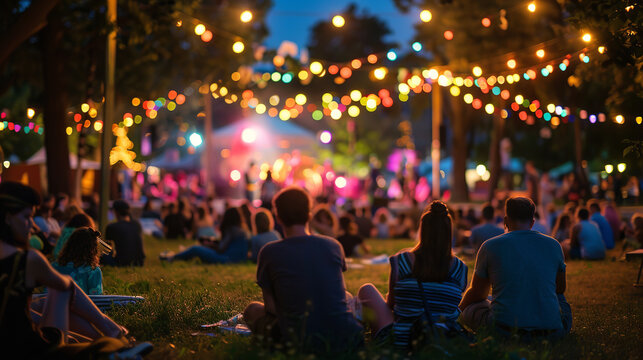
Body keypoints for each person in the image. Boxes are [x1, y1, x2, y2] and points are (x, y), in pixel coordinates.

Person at [0, 182, 128, 356]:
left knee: (43, 302)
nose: (32, 225)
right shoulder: (28, 259)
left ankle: (103, 338)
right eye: (26, 217)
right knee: (64, 287)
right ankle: (110, 331)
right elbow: (65, 289)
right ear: (7, 217)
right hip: (29, 349)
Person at [243, 187, 363, 352]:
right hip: (348, 337)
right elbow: (340, 295)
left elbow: (271, 307)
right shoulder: (333, 246)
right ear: (309, 215)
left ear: (278, 217)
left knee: (252, 310)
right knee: (348, 296)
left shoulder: (269, 252)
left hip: (296, 339)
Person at [357, 201, 468, 348]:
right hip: (443, 336)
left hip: (401, 337)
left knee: (367, 289)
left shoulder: (401, 260)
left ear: (422, 230)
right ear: (449, 231)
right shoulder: (461, 268)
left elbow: (392, 304)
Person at [460, 197, 571, 341]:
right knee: (560, 299)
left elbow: (477, 293)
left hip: (503, 330)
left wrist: (459, 310)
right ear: (532, 223)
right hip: (552, 331)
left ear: (506, 221)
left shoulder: (490, 246)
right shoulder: (554, 245)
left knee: (473, 307)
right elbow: (560, 289)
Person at [164, 207, 249, 264]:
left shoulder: (231, 230)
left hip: (227, 259)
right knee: (199, 249)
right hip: (237, 260)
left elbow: (221, 249)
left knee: (195, 249)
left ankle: (173, 257)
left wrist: (209, 245)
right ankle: (179, 255)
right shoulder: (242, 230)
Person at [53, 228, 104, 295]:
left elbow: (46, 293)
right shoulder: (93, 271)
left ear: (69, 244)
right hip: (82, 305)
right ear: (93, 249)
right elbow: (96, 298)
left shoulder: (55, 266)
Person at [104, 200, 145, 267]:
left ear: (115, 212)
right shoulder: (137, 224)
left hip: (121, 263)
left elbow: (108, 248)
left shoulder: (112, 227)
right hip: (139, 262)